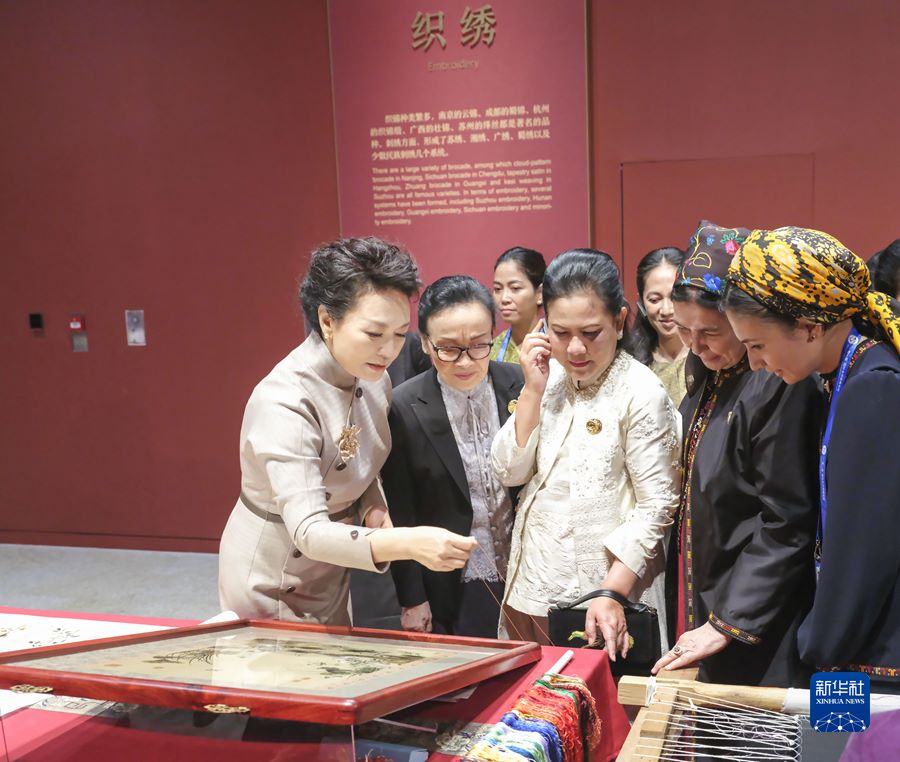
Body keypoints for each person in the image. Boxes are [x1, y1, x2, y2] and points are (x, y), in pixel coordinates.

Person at [218, 237, 476, 624]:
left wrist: (370, 502)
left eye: (399, 333)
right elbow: (307, 530)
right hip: (272, 573)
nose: (389, 351)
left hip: (330, 569)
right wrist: (409, 542)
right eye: (374, 334)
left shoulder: (371, 376)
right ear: (327, 320)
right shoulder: (285, 401)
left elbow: (358, 456)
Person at [723, 226, 900, 695]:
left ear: (809, 326)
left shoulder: (873, 386)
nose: (755, 363)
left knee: (840, 750)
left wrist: (817, 644)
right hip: (853, 649)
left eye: (757, 345)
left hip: (869, 663)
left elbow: (865, 551)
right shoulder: (845, 376)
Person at [652, 222, 822, 687]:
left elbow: (787, 520)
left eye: (710, 331)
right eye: (683, 330)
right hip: (710, 588)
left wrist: (728, 620)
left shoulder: (779, 380)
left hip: (761, 611)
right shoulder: (709, 374)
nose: (696, 345)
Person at [490, 248, 680, 659]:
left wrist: (612, 591)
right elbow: (508, 470)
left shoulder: (640, 392)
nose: (575, 348)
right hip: (529, 584)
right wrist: (533, 389)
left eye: (591, 332)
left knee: (599, 709)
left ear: (620, 320)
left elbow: (658, 506)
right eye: (560, 332)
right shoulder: (550, 376)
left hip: (603, 595)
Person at [382, 276, 524, 638]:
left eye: (478, 345)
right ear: (426, 343)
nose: (465, 361)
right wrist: (412, 598)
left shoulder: (521, 385)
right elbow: (402, 508)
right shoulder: (403, 405)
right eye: (448, 348)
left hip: (526, 570)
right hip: (452, 578)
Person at [629, 247, 688, 405]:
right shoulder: (630, 363)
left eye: (674, 296)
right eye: (655, 300)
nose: (666, 310)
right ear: (641, 302)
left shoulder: (710, 357)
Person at [490, 246, 547, 363]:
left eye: (515, 288)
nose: (504, 298)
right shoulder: (491, 350)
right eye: (497, 289)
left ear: (540, 293)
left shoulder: (556, 345)